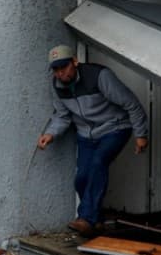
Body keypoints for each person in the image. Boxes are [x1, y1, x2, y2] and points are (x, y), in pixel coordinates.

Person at [37, 45, 149, 236]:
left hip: (115, 127)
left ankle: (86, 218)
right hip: (86, 134)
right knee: (81, 179)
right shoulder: (56, 86)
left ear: (75, 62)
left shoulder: (99, 76)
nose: (60, 73)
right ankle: (96, 221)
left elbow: (132, 104)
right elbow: (63, 115)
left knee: (98, 163)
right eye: (56, 69)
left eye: (64, 67)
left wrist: (141, 134)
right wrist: (50, 133)